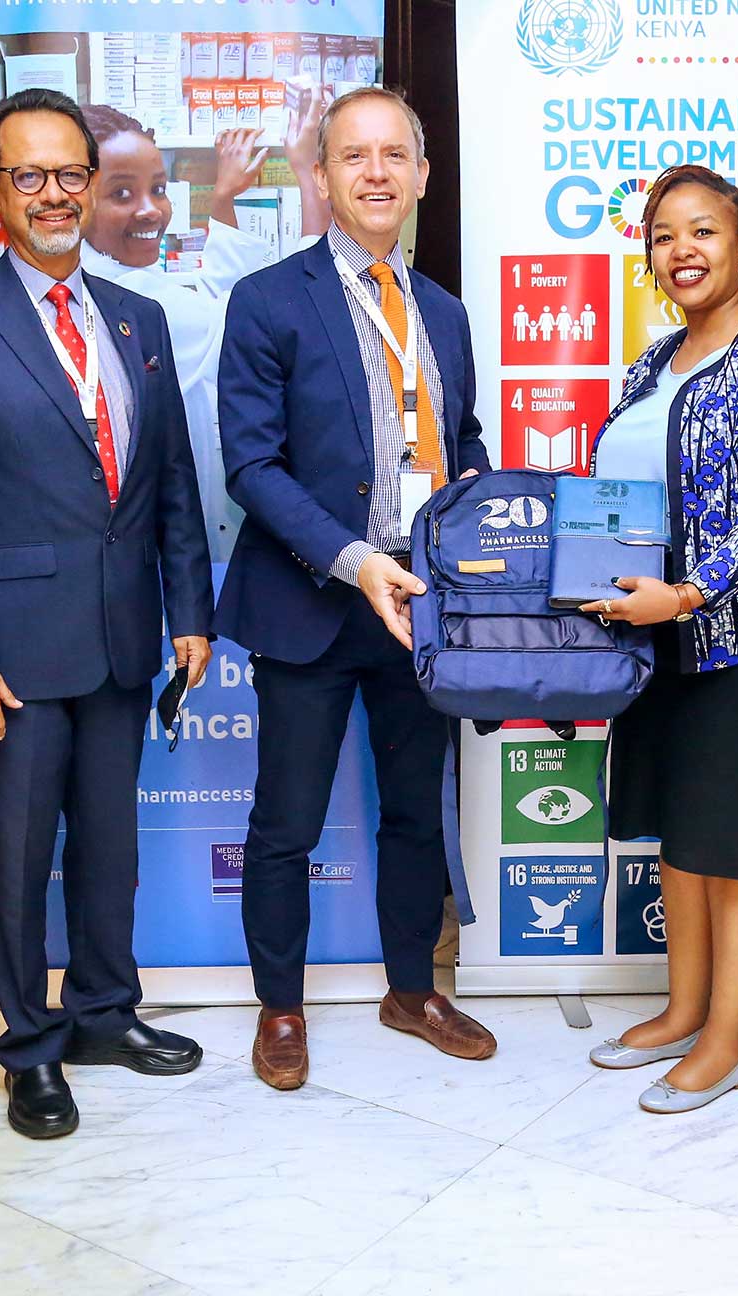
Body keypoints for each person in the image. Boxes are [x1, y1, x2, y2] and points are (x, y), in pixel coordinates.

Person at [0, 88, 213, 1141]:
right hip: (11, 659)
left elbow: (168, 487)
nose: (53, 194)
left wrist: (190, 615)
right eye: (26, 175)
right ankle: (30, 1048)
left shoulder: (139, 319)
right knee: (20, 860)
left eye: (69, 172)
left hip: (125, 643)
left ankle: (105, 1016)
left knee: (111, 850)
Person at [217, 86, 497, 1090]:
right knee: (285, 823)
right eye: (354, 157)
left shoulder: (448, 314)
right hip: (310, 602)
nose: (376, 173)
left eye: (395, 156)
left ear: (422, 177)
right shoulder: (269, 300)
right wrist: (354, 559)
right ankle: (281, 1008)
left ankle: (411, 988)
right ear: (324, 177)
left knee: (416, 811)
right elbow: (251, 466)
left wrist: (471, 497)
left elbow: (459, 437)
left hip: (418, 611)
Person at [575, 164, 738, 1115]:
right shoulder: (654, 361)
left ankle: (725, 1038)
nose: (681, 250)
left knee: (732, 846)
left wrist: (686, 593)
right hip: (660, 645)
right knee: (681, 839)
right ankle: (682, 1009)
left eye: (704, 232)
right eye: (663, 235)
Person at [77, 98, 332, 560]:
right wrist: (308, 172)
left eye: (158, 189)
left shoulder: (103, 278)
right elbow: (290, 316)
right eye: (121, 194)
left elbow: (219, 302)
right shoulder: (134, 301)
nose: (151, 210)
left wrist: (222, 199)